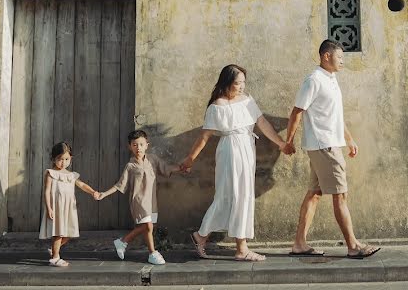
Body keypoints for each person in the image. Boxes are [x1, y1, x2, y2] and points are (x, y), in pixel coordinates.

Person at [180, 64, 290, 262]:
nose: (241, 87)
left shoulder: (247, 101)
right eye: (237, 83)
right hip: (230, 151)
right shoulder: (217, 106)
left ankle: (217, 240)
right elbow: (204, 137)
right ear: (227, 83)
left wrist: (281, 143)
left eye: (243, 83)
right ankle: (223, 242)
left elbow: (262, 123)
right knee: (230, 195)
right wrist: (190, 159)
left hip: (247, 148)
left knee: (243, 195)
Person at [284, 40, 381, 259]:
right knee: (340, 195)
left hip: (328, 143)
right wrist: (288, 141)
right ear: (326, 56)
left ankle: (299, 244)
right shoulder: (313, 80)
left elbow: (334, 115)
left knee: (315, 194)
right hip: (324, 146)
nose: (343, 62)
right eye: (340, 58)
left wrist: (349, 139)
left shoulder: (332, 79)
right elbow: (297, 112)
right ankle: (353, 246)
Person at [97, 130, 179, 265]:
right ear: (130, 146)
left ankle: (123, 241)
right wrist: (104, 194)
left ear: (147, 145)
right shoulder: (130, 166)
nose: (138, 147)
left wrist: (181, 168)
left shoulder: (153, 159)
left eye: (141, 144)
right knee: (148, 225)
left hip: (152, 200)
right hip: (138, 200)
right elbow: (120, 185)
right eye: (134, 145)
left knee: (150, 226)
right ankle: (153, 253)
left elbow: (166, 169)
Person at [39, 141, 101, 267]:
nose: (63, 162)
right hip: (56, 207)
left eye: (66, 159)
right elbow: (46, 192)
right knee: (58, 232)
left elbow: (82, 185)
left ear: (71, 158)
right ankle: (55, 258)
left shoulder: (71, 175)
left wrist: (93, 192)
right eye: (60, 159)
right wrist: (49, 207)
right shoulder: (51, 173)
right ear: (53, 159)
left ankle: (54, 250)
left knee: (69, 232)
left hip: (68, 208)